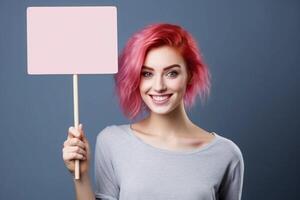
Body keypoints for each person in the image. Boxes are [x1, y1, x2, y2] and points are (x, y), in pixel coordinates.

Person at [62, 23, 244, 200]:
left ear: (190, 76)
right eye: (147, 73)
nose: (158, 86)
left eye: (171, 73)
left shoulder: (226, 154)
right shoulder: (112, 141)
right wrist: (81, 177)